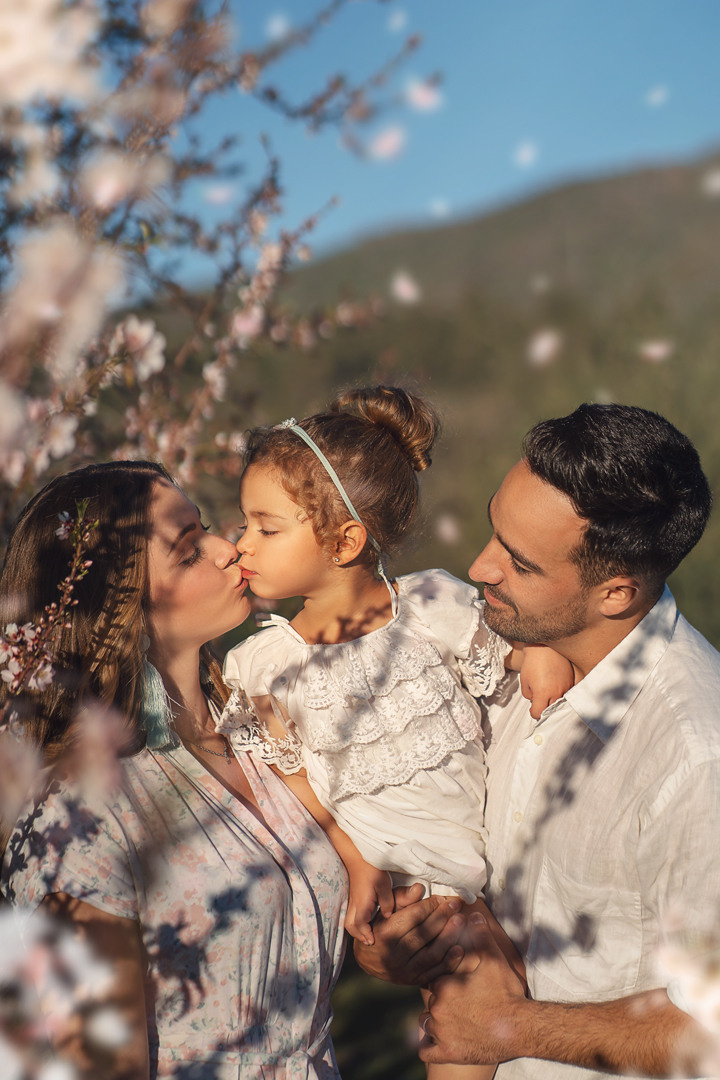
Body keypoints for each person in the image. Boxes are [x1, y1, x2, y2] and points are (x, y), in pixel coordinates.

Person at [355, 403, 720, 1079]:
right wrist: (395, 950)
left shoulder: (696, 755)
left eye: (518, 562)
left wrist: (508, 1029)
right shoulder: (487, 656)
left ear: (615, 592)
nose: (479, 566)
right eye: (495, 531)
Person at [217, 386, 572, 1080]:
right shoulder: (263, 663)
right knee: (471, 997)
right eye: (244, 524)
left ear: (345, 541)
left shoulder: (432, 604)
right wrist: (353, 859)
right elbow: (292, 777)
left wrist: (542, 649)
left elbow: (508, 640)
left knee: (497, 1001)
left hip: (485, 858)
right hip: (403, 882)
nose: (241, 545)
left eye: (265, 527)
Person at [0, 461, 348, 1080]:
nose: (228, 547)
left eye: (208, 527)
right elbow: (93, 1067)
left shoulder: (256, 723)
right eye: (190, 552)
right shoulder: (74, 817)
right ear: (119, 609)